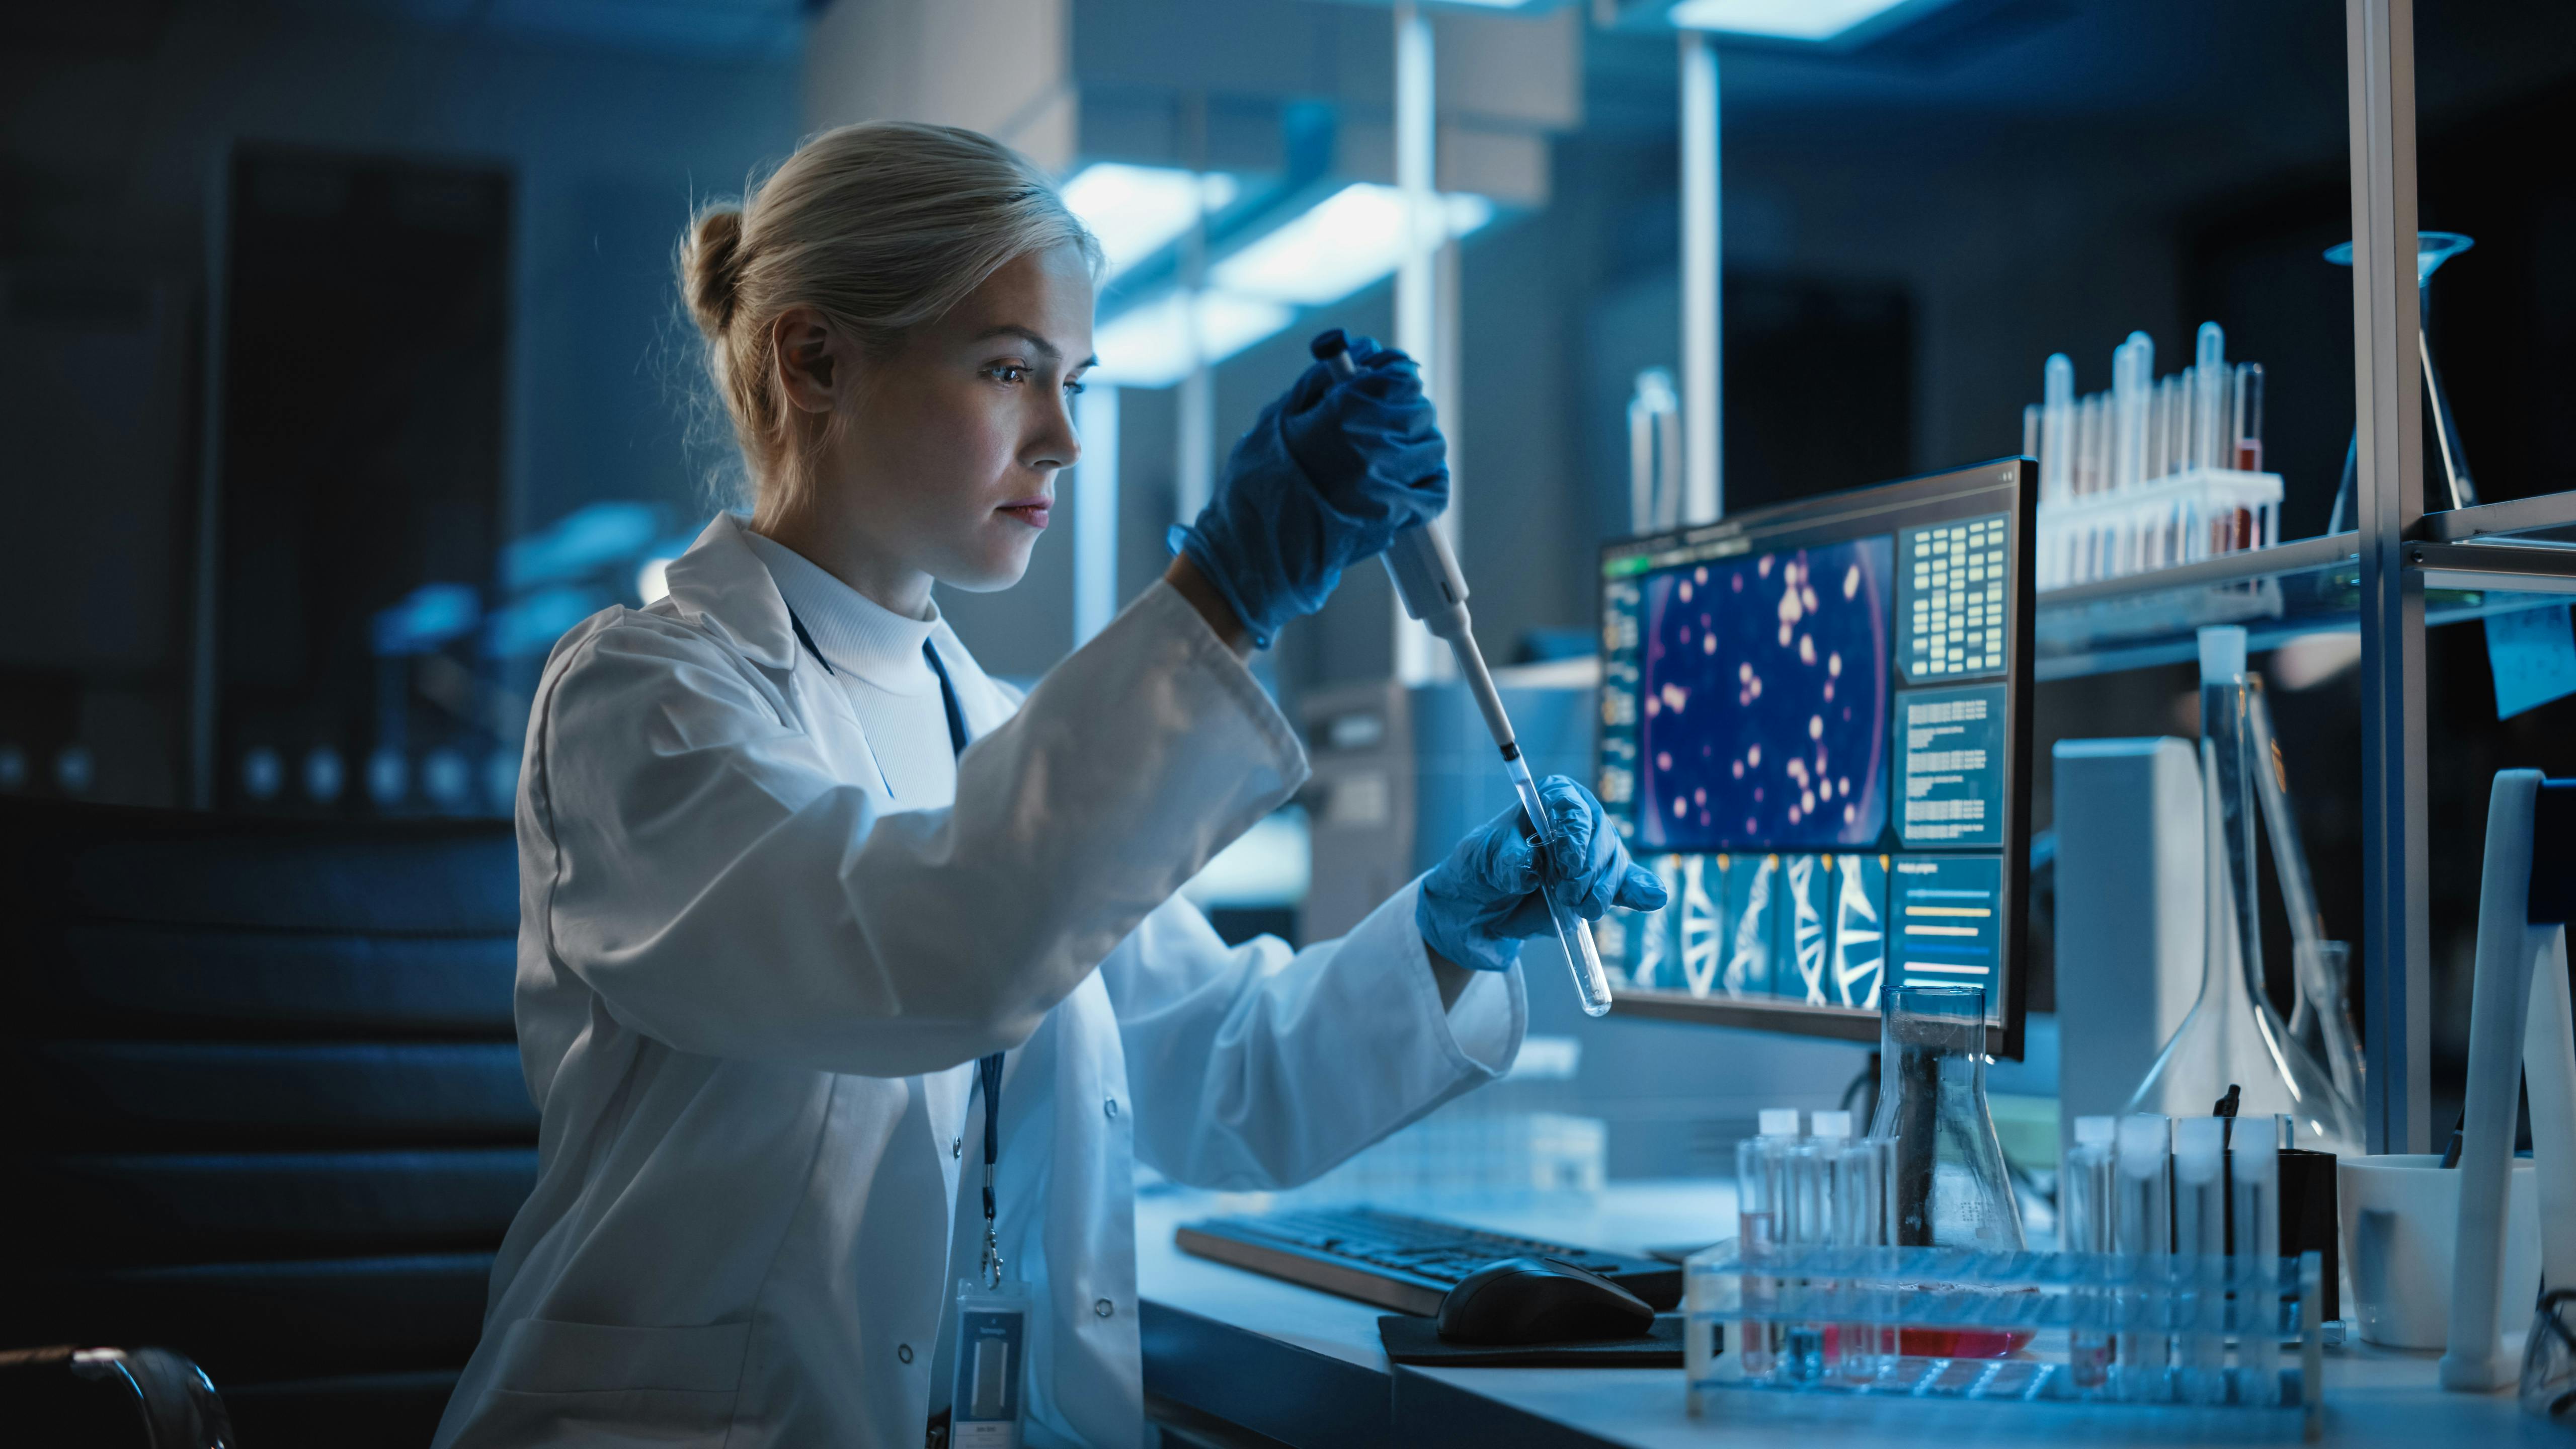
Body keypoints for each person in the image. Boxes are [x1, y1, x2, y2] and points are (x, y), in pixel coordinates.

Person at [430, 121, 1664, 1449]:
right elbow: (926, 953)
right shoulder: (642, 702)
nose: (1065, 438)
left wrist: (1442, 939)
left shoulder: (992, 731)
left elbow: (1217, 1068)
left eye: (1075, 378)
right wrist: (1221, 598)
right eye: (1012, 370)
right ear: (817, 358)